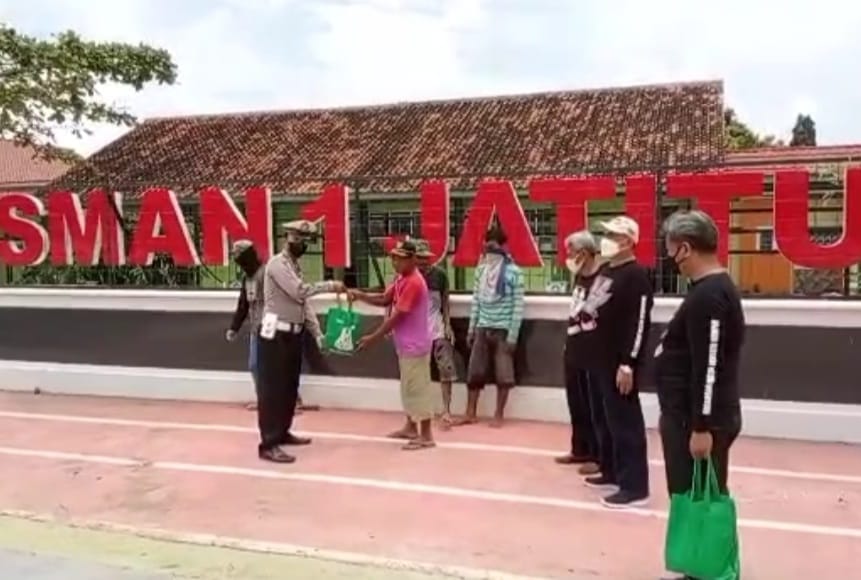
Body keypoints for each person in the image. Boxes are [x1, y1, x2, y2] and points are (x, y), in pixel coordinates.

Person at [656, 210, 744, 580]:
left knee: (703, 497)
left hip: (697, 421)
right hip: (687, 416)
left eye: (670, 249)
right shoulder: (706, 291)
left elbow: (708, 366)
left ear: (686, 248)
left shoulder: (709, 296)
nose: (669, 257)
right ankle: (699, 565)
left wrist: (701, 426)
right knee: (692, 496)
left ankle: (708, 570)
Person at [256, 220, 344, 464]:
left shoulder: (293, 266)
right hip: (275, 335)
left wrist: (317, 333)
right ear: (290, 239)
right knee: (272, 390)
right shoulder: (278, 264)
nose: (304, 246)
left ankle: (282, 431)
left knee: (289, 387)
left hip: (293, 334)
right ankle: (268, 443)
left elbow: (303, 305)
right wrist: (330, 285)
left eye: (307, 242)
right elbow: (299, 292)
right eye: (302, 241)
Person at [582, 215, 653, 509]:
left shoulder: (636, 276)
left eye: (612, 235)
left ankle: (634, 487)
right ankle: (611, 470)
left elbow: (639, 323)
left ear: (626, 241)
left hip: (618, 362)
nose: (606, 239)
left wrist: (628, 363)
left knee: (625, 423)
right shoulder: (607, 270)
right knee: (604, 419)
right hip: (598, 359)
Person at [352, 239, 436, 450]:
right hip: (406, 345)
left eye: (400, 259)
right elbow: (384, 299)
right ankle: (411, 427)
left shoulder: (414, 283)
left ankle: (426, 435)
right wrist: (360, 295)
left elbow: (397, 316)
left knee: (418, 390)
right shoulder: (401, 279)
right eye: (394, 258)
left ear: (413, 260)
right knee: (408, 388)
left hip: (415, 346)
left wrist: (373, 337)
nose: (395, 262)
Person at [457, 226, 525, 428]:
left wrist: (512, 336)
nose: (490, 252)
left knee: (504, 374)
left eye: (494, 248)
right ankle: (470, 412)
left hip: (503, 329)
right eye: (487, 248)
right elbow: (476, 301)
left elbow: (518, 307)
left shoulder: (515, 273)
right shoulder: (481, 271)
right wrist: (471, 328)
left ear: (503, 248)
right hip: (482, 326)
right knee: (474, 372)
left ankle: (498, 414)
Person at [555, 230, 605, 477]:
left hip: (592, 350)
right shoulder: (579, 278)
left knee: (592, 404)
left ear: (584, 253)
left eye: (572, 252)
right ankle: (580, 449)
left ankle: (598, 454)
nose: (569, 256)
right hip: (574, 346)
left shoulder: (602, 279)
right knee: (576, 402)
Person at [416, 239, 457, 429]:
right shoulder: (408, 277)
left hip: (438, 328)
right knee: (418, 372)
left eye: (425, 258)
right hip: (417, 331)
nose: (423, 263)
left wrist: (448, 325)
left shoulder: (440, 275)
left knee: (446, 368)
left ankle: (446, 410)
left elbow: (445, 301)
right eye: (419, 258)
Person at [225, 240, 265, 411]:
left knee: (274, 366)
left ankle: (285, 399)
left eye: (238, 255)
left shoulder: (266, 275)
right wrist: (234, 327)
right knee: (255, 365)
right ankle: (264, 399)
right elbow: (243, 305)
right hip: (256, 329)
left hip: (271, 329)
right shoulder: (247, 279)